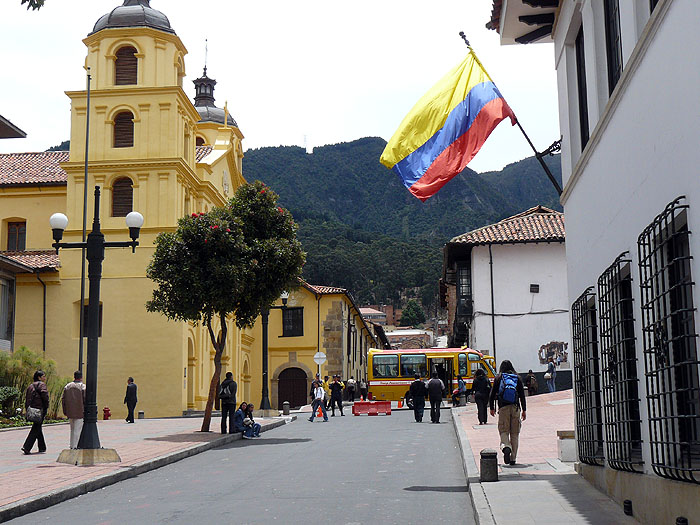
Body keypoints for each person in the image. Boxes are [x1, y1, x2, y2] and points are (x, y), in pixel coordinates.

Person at [489, 360, 527, 465]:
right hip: (515, 408)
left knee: (503, 430)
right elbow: (522, 395)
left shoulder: (499, 377)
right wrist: (524, 410)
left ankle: (506, 446)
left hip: (503, 408)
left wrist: (491, 407)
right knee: (515, 434)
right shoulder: (517, 378)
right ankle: (513, 458)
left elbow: (492, 394)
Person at [22, 370, 49, 455]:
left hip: (32, 409)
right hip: (39, 409)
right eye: (43, 376)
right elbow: (44, 395)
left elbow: (27, 399)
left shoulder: (30, 386)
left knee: (38, 426)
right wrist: (46, 405)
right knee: (36, 427)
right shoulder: (42, 385)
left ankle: (42, 447)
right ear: (39, 377)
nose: (45, 378)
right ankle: (27, 447)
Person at [61, 370, 86, 449]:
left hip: (70, 411)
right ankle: (76, 445)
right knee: (77, 430)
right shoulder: (83, 386)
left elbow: (63, 399)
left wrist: (65, 410)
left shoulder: (67, 386)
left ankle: (72, 445)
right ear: (81, 377)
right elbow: (85, 399)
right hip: (80, 411)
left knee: (72, 429)